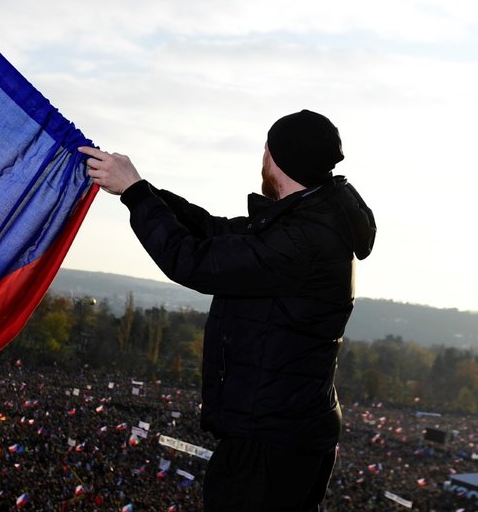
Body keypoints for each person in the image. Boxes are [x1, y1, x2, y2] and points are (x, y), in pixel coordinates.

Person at [79, 110, 376, 512]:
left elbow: (194, 261)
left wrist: (135, 194)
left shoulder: (302, 239)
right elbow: (216, 231)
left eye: (266, 150)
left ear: (278, 159)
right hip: (287, 429)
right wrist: (141, 188)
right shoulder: (311, 218)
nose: (262, 159)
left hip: (270, 441)